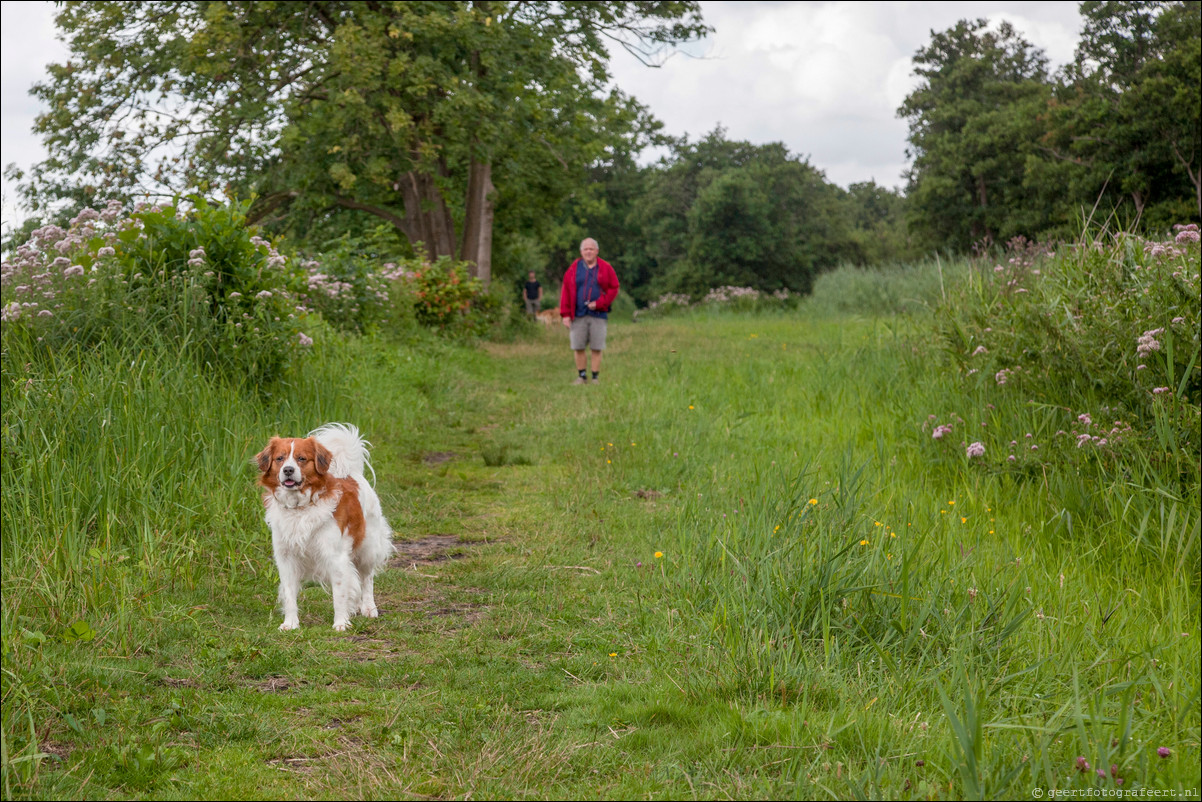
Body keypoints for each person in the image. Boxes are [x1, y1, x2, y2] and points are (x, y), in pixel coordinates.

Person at [558, 237, 619, 384]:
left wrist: (600, 303)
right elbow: (565, 291)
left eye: (591, 249)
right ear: (581, 251)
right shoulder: (573, 269)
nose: (589, 252)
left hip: (598, 314)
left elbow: (614, 288)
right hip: (577, 314)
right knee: (578, 346)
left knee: (596, 347)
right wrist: (565, 314)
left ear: (597, 251)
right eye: (586, 249)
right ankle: (582, 376)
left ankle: (595, 377)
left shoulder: (605, 268)